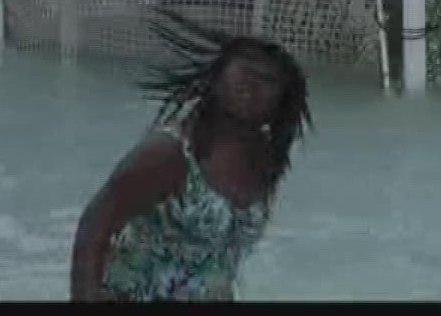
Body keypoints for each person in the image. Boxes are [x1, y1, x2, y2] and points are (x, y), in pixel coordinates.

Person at [70, 16, 312, 302]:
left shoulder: (266, 162)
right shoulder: (169, 154)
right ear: (215, 78)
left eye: (267, 80)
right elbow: (94, 227)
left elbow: (221, 260)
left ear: (282, 102)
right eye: (244, 72)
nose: (252, 85)